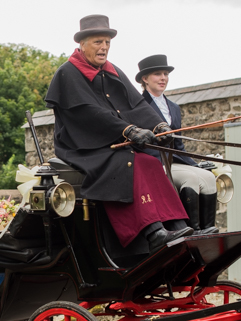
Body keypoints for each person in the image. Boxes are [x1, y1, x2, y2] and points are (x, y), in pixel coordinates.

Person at [44, 14, 193, 254]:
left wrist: (159, 126)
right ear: (82, 44)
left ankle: (179, 226)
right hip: (83, 147)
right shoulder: (68, 72)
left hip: (113, 141)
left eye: (107, 42)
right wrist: (128, 130)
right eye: (97, 42)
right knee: (131, 162)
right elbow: (87, 113)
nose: (104, 47)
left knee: (151, 162)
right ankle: (154, 232)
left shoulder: (112, 70)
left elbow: (136, 105)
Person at [136, 54, 218, 234]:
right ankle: (192, 230)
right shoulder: (138, 106)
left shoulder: (174, 107)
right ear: (145, 78)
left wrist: (196, 165)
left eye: (165, 74)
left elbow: (179, 146)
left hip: (174, 161)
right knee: (191, 179)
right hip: (155, 164)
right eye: (158, 74)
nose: (163, 78)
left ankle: (208, 229)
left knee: (208, 177)